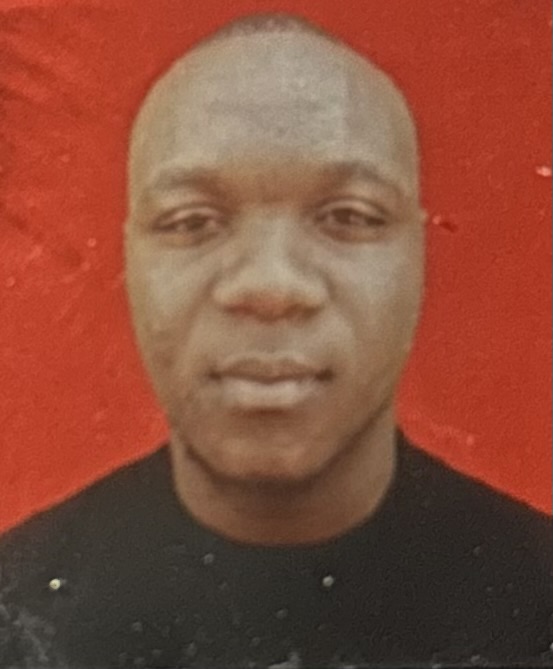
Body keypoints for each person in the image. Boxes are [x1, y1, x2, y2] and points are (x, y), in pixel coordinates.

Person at [0, 12, 551, 669]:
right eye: (191, 221)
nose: (270, 285)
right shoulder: (18, 612)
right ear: (129, 257)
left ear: (420, 256)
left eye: (348, 216)